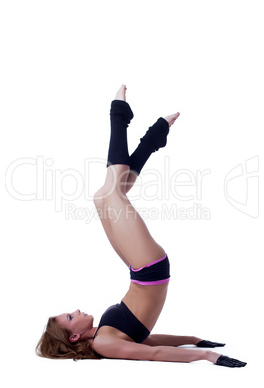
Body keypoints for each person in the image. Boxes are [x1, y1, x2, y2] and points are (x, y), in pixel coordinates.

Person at [36, 85, 246, 368]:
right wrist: (207, 356)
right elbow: (154, 354)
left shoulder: (102, 336)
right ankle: (120, 115)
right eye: (71, 317)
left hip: (138, 270)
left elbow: (150, 340)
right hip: (149, 269)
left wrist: (193, 338)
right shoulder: (104, 343)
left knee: (102, 199)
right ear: (74, 337)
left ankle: (152, 139)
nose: (75, 310)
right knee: (112, 194)